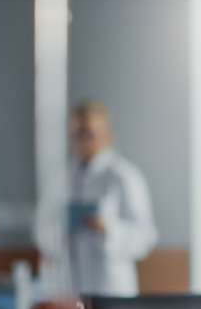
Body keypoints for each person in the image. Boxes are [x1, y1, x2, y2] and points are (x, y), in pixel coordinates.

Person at [37, 100, 158, 297]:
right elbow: (41, 230)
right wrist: (59, 232)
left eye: (89, 134)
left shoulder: (123, 176)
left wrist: (108, 229)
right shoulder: (59, 179)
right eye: (76, 134)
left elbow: (145, 236)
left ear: (104, 134)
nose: (82, 141)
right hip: (68, 287)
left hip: (110, 286)